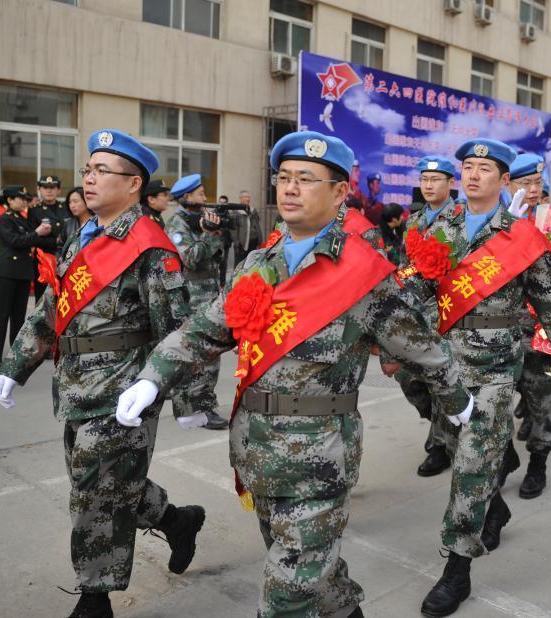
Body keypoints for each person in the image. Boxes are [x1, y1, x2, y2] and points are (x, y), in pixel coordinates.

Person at [113, 129, 473, 618]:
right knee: (314, 575)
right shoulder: (259, 263)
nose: (290, 188)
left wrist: (457, 401)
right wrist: (152, 377)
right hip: (257, 450)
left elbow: (426, 349)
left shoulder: (364, 274)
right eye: (283, 177)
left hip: (320, 456)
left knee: (287, 595)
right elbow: (204, 329)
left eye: (306, 179)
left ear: (340, 192)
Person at [0, 130, 206, 618]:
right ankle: (177, 520)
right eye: (87, 169)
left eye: (101, 171)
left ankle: (96, 598)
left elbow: (179, 328)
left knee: (94, 493)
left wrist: (185, 398)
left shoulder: (149, 245)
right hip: (74, 387)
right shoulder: (85, 234)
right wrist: (16, 365)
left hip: (123, 392)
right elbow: (51, 309)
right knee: (107, 484)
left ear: (134, 184)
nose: (88, 178)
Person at [398, 138, 551, 616]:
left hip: (497, 370)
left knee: (472, 468)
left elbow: (547, 299)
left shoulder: (520, 237)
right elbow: (416, 287)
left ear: (505, 181)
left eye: (485, 168)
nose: (473, 175)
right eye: (468, 167)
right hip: (444, 366)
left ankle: (456, 571)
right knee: (459, 451)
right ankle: (494, 507)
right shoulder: (439, 225)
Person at [507, 153, 551, 499]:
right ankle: (501, 459)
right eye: (525, 183)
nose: (533, 189)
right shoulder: (490, 220)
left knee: (540, 399)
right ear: (507, 184)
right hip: (497, 330)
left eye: (537, 182)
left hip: (539, 327)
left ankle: (539, 462)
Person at [389, 155, 459, 479]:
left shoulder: (462, 218)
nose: (429, 185)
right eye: (424, 180)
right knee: (409, 377)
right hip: (418, 311)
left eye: (436, 179)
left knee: (440, 379)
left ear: (450, 183)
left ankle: (440, 447)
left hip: (450, 310)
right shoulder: (414, 221)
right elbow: (406, 265)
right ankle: (447, 427)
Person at [167, 174, 229, 430]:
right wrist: (207, 234)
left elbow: (216, 257)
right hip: (190, 298)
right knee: (199, 354)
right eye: (201, 194)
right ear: (187, 197)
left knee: (207, 354)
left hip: (209, 292)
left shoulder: (197, 221)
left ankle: (197, 406)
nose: (205, 199)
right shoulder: (177, 224)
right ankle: (197, 409)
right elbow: (191, 259)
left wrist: (213, 233)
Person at [0, 185, 52, 366]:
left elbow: (32, 239)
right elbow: (14, 241)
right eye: (20, 198)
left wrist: (41, 234)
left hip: (23, 272)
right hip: (7, 272)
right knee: (0, 315)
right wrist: (36, 233)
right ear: (10, 200)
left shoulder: (23, 219)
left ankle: (15, 354)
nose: (24, 202)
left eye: (26, 199)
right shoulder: (5, 219)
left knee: (19, 316)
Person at [28, 174, 70, 301]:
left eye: (52, 187)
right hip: (44, 260)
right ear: (39, 190)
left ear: (59, 190)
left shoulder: (67, 208)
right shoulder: (35, 211)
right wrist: (54, 240)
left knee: (64, 296)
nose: (49, 190)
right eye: (45, 187)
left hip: (65, 258)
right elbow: (32, 237)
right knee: (42, 298)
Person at [232, 190, 262, 265]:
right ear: (240, 199)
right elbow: (233, 230)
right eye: (245, 197)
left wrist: (260, 239)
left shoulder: (253, 210)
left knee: (251, 264)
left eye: (248, 197)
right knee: (239, 264)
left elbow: (257, 225)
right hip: (242, 243)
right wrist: (237, 242)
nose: (248, 199)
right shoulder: (236, 212)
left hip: (253, 242)